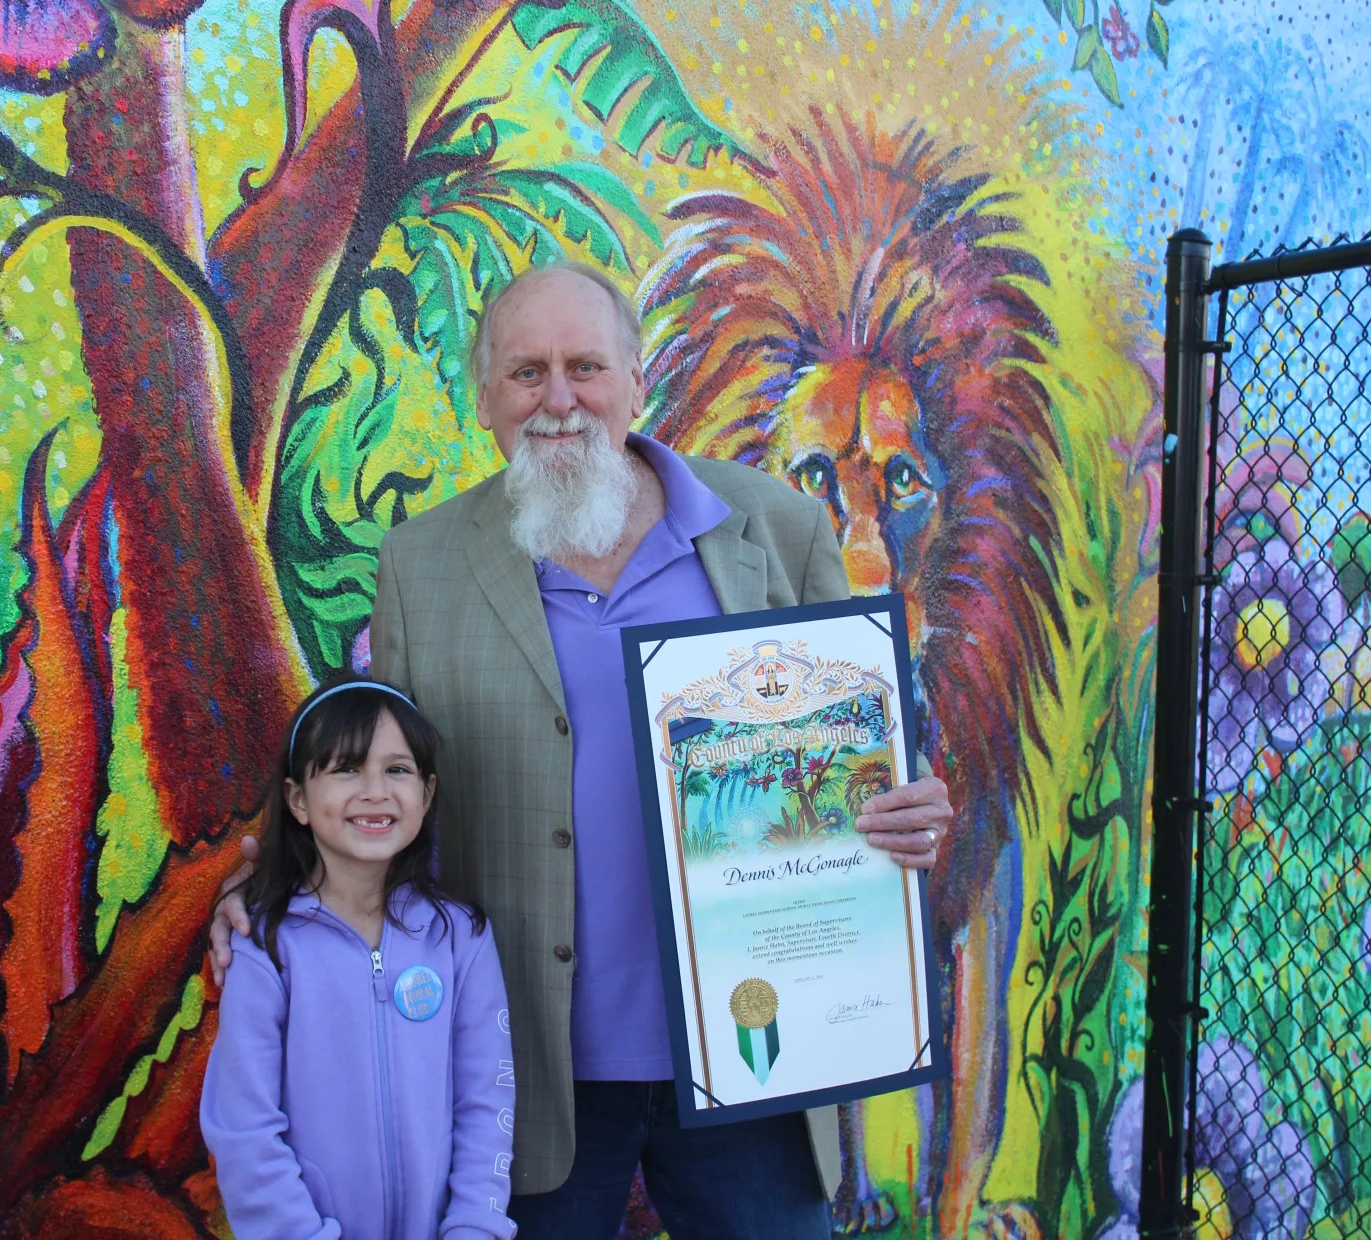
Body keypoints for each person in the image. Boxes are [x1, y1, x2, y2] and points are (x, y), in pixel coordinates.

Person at [212, 263, 951, 1237]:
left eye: (584, 367)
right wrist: (278, 885)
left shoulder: (778, 527)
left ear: (636, 383)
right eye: (526, 373)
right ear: (486, 399)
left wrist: (905, 811)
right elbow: (380, 778)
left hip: (754, 1047)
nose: (558, 399)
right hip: (529, 1070)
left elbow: (860, 760)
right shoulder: (422, 563)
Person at [201, 676, 518, 1240]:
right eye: (346, 767)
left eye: (398, 770)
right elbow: (244, 1127)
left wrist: (475, 1227)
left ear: (427, 793)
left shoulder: (461, 937)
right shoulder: (266, 946)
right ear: (298, 799)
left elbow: (486, 1104)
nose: (375, 790)